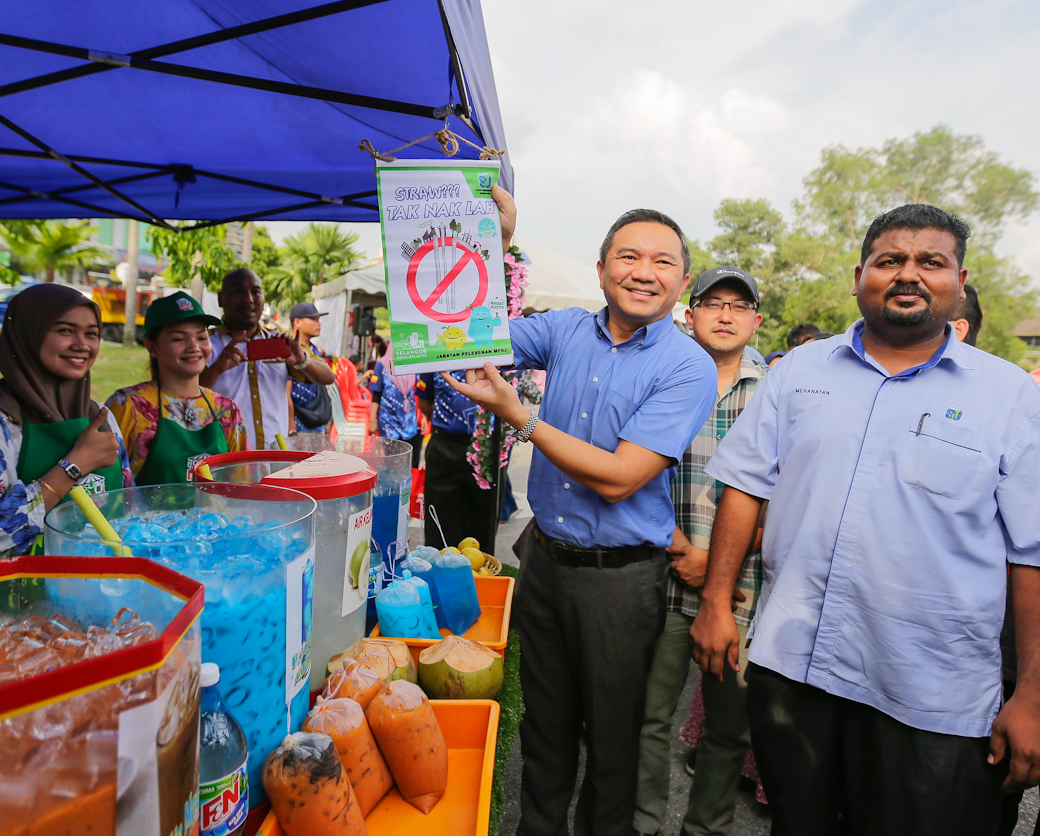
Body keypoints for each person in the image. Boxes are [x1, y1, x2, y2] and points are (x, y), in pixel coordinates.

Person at [690, 204, 1040, 836]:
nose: (909, 274)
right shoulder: (798, 371)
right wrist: (716, 602)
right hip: (797, 670)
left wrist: (1033, 696)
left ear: (959, 280)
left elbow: (1031, 552)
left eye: (930, 262)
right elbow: (743, 486)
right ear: (859, 277)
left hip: (931, 693)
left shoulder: (1011, 397)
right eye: (890, 261)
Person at [445, 188, 717, 836]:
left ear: (680, 280)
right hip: (546, 565)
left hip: (621, 583)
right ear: (602, 270)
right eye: (628, 256)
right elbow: (464, 334)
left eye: (661, 262)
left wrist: (523, 419)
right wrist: (494, 243)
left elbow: (623, 479)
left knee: (613, 743)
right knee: (545, 729)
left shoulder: (687, 366)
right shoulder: (566, 330)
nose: (643, 271)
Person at [634, 266, 767, 836]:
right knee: (647, 717)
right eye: (713, 303)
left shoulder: (777, 392)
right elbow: (631, 474)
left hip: (743, 589)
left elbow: (787, 496)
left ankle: (705, 828)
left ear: (757, 321)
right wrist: (681, 549)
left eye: (739, 306)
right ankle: (640, 823)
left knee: (728, 728)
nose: (726, 314)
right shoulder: (660, 376)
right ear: (690, 316)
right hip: (661, 573)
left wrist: (712, 566)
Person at [0, 284, 131, 560]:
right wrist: (73, 467)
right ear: (28, 334)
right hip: (10, 597)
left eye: (92, 334)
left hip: (98, 594)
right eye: (65, 330)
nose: (82, 345)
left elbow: (125, 512)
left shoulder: (101, 416)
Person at [106, 291, 246, 484]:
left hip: (217, 515)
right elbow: (110, 482)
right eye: (179, 339)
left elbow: (240, 482)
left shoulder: (226, 409)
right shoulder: (129, 405)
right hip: (146, 515)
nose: (194, 347)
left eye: (202, 337)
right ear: (152, 347)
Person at [200, 269, 334, 449]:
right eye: (239, 291)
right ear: (220, 298)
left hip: (273, 459)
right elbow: (183, 397)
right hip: (223, 459)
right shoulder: (205, 343)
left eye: (255, 292)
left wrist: (301, 361)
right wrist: (217, 369)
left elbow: (328, 376)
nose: (249, 299)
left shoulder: (280, 340)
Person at [416, 368, 494, 548]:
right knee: (439, 517)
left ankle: (481, 573)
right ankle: (440, 568)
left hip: (486, 450)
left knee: (482, 516)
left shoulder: (494, 357)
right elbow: (424, 402)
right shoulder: (436, 356)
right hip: (445, 446)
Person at [367, 344, 422, 467]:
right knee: (390, 460)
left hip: (409, 420)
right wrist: (372, 420)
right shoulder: (382, 365)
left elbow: (420, 393)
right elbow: (376, 394)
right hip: (388, 420)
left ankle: (407, 485)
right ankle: (390, 484)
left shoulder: (413, 365)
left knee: (409, 460)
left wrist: (422, 417)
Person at [287, 301, 334, 435]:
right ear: (297, 322)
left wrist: (324, 421)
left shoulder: (314, 351)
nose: (319, 324)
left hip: (316, 420)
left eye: (319, 320)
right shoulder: (288, 351)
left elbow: (322, 386)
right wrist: (291, 425)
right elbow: (286, 392)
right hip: (298, 420)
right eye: (313, 319)